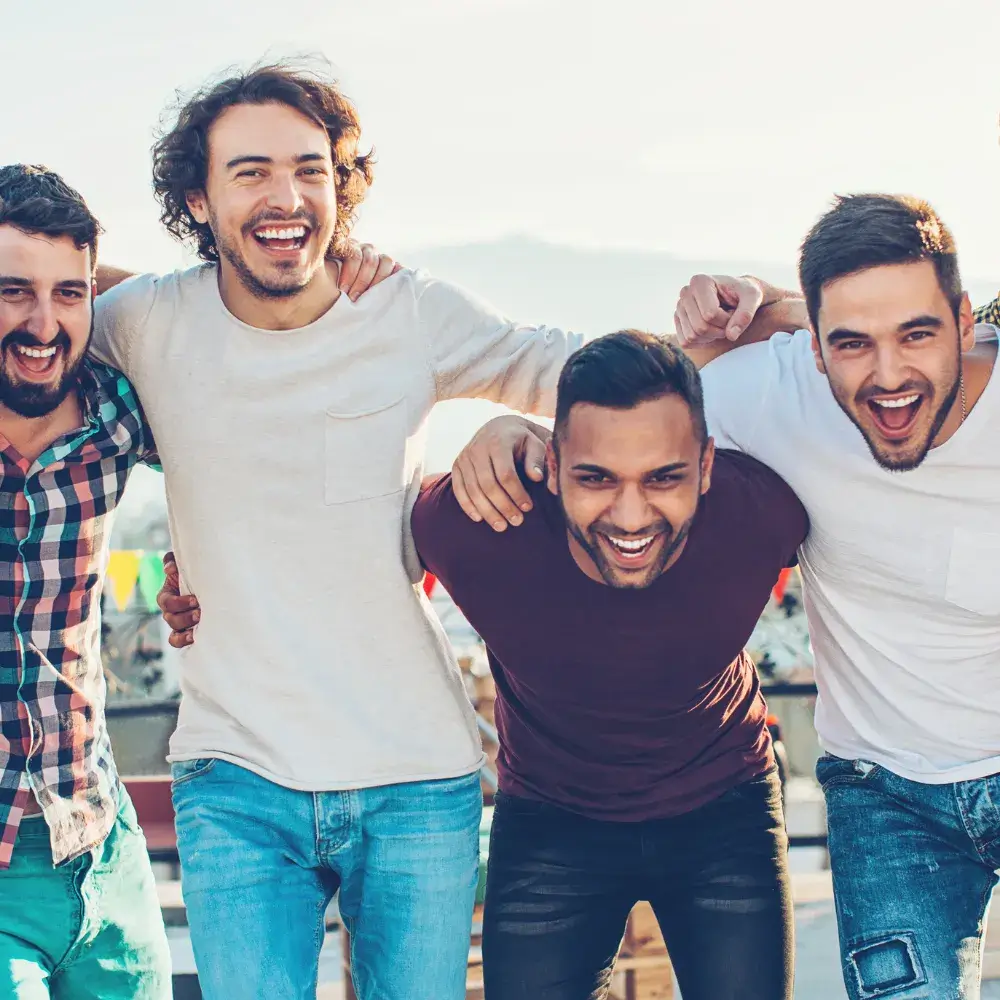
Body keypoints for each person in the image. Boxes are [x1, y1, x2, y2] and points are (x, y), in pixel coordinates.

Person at [88, 59, 610, 1000]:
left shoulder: (406, 312)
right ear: (197, 200)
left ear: (342, 189)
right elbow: (36, 292)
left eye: (311, 169)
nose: (286, 196)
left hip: (417, 781)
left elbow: (590, 380)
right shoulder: (144, 321)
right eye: (249, 172)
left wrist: (765, 330)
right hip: (234, 777)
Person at [451, 194, 1000, 1000]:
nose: (887, 377)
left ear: (964, 319)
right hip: (887, 797)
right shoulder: (766, 397)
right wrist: (513, 434)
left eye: (917, 334)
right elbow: (629, 418)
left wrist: (767, 300)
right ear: (812, 346)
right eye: (851, 343)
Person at [162, 330, 807, 999]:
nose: (631, 512)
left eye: (664, 478)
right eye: (595, 478)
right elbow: (327, 547)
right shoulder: (478, 526)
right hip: (556, 821)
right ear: (551, 468)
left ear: (706, 465)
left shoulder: (762, 513)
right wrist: (199, 580)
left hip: (722, 806)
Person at [0, 164, 171, 998]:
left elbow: (218, 338)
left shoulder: (116, 416)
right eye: (12, 292)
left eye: (69, 293)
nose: (43, 324)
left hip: (100, 843)